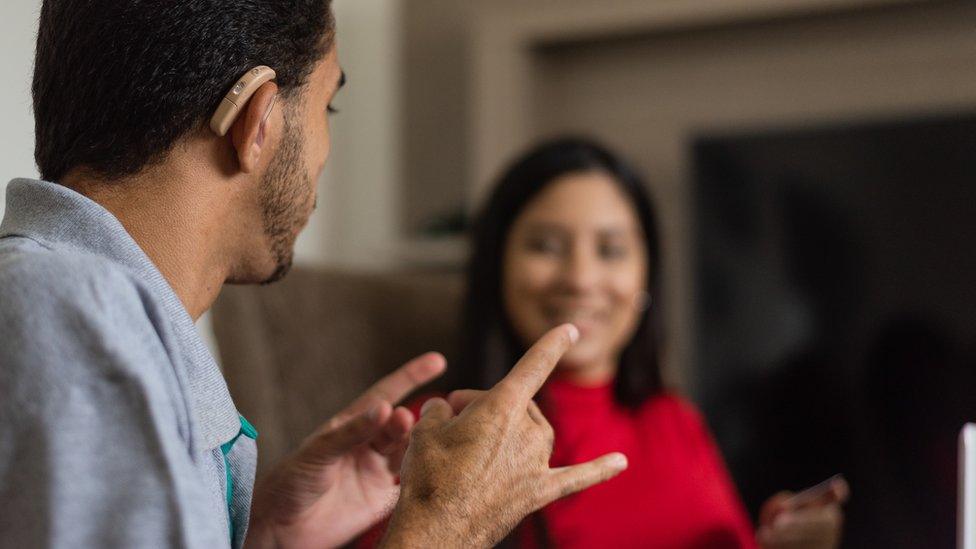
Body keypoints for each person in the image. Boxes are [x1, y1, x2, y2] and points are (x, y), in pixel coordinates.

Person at [0, 3, 628, 548]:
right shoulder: (76, 314)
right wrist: (441, 526)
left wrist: (264, 536)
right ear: (257, 119)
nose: (326, 151)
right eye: (329, 103)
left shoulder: (81, 312)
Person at [366, 137, 849, 548]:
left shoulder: (675, 420)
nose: (581, 278)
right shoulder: (435, 430)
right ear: (498, 268)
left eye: (611, 250)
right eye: (546, 246)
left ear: (646, 276)